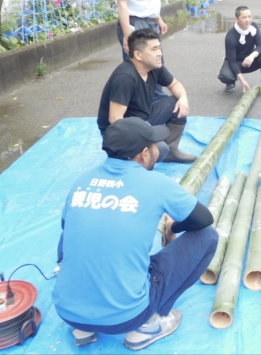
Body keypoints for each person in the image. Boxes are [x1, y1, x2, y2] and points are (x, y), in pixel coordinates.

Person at [53, 117, 218, 351]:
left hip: (67, 311)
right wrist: (174, 228)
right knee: (208, 237)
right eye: (153, 146)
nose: (156, 149)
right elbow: (204, 220)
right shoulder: (157, 183)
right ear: (144, 154)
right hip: (126, 316)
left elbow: (65, 229)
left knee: (71, 225)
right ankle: (148, 325)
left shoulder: (82, 181)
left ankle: (84, 328)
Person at [96, 29, 197, 164]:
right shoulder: (125, 77)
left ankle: (171, 151)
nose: (160, 53)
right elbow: (115, 119)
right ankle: (133, 164)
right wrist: (143, 137)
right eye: (154, 49)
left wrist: (183, 98)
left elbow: (175, 84)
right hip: (121, 130)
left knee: (176, 102)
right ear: (138, 54)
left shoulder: (155, 67)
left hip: (143, 118)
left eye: (160, 48)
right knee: (159, 149)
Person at [217, 6, 261, 97]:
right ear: (236, 19)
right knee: (225, 75)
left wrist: (251, 56)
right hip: (236, 62)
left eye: (249, 16)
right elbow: (232, 61)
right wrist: (242, 81)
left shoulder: (254, 27)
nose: (248, 20)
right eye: (244, 17)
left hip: (250, 61)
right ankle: (231, 82)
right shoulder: (230, 36)